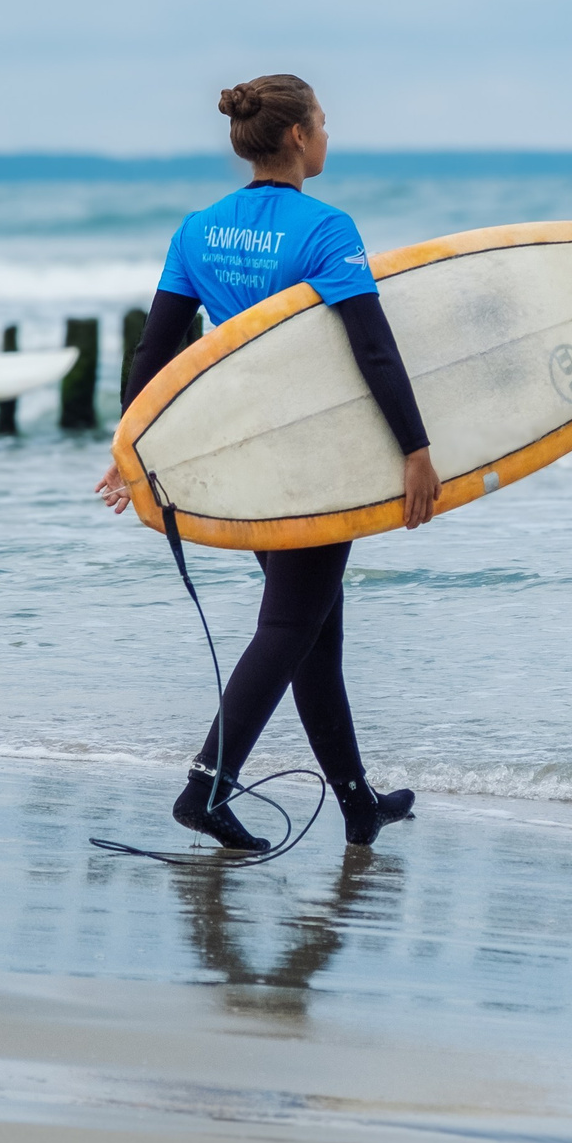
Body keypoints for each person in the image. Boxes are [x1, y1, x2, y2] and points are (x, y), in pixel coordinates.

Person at [96, 74, 436, 852]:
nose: (326, 132)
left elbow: (156, 353)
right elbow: (372, 347)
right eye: (321, 121)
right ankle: (205, 787)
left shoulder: (198, 229)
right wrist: (416, 449)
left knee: (314, 626)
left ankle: (357, 803)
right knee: (290, 623)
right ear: (295, 136)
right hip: (315, 455)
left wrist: (131, 449)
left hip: (245, 458)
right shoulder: (326, 228)